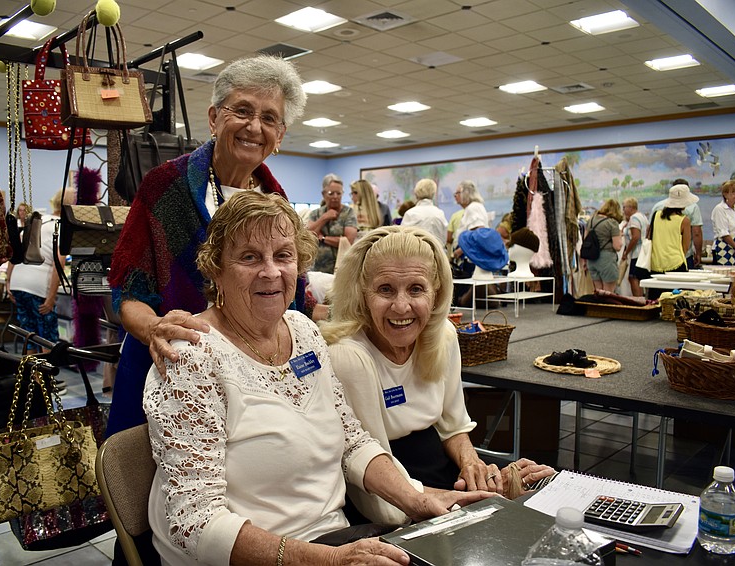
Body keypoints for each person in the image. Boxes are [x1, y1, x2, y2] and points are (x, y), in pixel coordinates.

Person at [145, 192, 492, 566]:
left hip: (336, 539)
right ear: (215, 268)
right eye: (249, 257)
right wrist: (325, 559)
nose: (271, 271)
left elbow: (351, 440)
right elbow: (194, 522)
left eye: (283, 255)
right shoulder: (191, 358)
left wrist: (418, 499)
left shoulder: (303, 331)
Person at [108, 54, 308, 437]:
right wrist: (154, 328)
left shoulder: (276, 201)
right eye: (243, 111)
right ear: (214, 118)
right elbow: (126, 291)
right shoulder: (165, 186)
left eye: (269, 118)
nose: (254, 126)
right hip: (170, 370)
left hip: (252, 377)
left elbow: (293, 294)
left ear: (280, 135)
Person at [321, 226, 554, 522]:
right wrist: (476, 499)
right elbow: (379, 499)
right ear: (362, 294)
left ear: (436, 293)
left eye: (416, 289)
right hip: (388, 497)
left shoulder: (442, 336)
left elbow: (452, 426)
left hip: (438, 476)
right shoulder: (349, 357)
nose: (401, 306)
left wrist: (474, 467)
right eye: (385, 289)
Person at [5, 189, 71, 352]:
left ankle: (31, 376)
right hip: (38, 288)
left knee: (29, 335)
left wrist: (8, 282)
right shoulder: (61, 227)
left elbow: (16, 251)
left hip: (18, 284)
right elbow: (58, 265)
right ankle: (45, 376)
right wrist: (51, 298)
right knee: (47, 339)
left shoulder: (39, 221)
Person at [306, 173, 357, 273]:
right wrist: (324, 218)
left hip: (341, 268)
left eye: (339, 193)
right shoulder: (315, 214)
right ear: (323, 194)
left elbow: (347, 241)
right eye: (331, 193)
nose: (335, 197)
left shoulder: (348, 213)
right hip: (317, 269)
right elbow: (307, 236)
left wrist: (323, 238)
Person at [651, 178, 703, 268]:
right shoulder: (685, 219)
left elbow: (650, 233)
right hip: (678, 260)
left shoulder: (657, 210)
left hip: (657, 260)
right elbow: (696, 233)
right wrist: (698, 253)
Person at [581, 199, 623, 292]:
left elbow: (585, 240)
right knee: (608, 293)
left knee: (598, 292)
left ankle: (598, 307)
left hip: (591, 260)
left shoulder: (591, 220)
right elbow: (617, 246)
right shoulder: (612, 223)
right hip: (606, 260)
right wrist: (620, 236)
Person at [401, 178, 448, 244]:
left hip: (414, 252)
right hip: (436, 252)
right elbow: (443, 239)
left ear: (416, 193)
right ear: (433, 193)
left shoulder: (410, 213)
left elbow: (402, 239)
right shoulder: (439, 213)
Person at [620, 198, 649, 297]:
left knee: (633, 278)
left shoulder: (634, 218)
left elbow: (635, 237)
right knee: (639, 278)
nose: (623, 210)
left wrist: (626, 252)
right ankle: (641, 298)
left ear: (631, 207)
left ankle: (638, 300)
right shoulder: (643, 216)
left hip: (636, 253)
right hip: (643, 253)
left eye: (624, 207)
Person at [710, 179, 735, 265]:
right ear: (725, 194)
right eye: (733, 192)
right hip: (724, 246)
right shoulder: (720, 209)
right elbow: (723, 233)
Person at [445, 185, 465, 251]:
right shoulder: (478, 211)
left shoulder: (455, 216)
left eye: (457, 193)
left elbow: (449, 239)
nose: (455, 196)